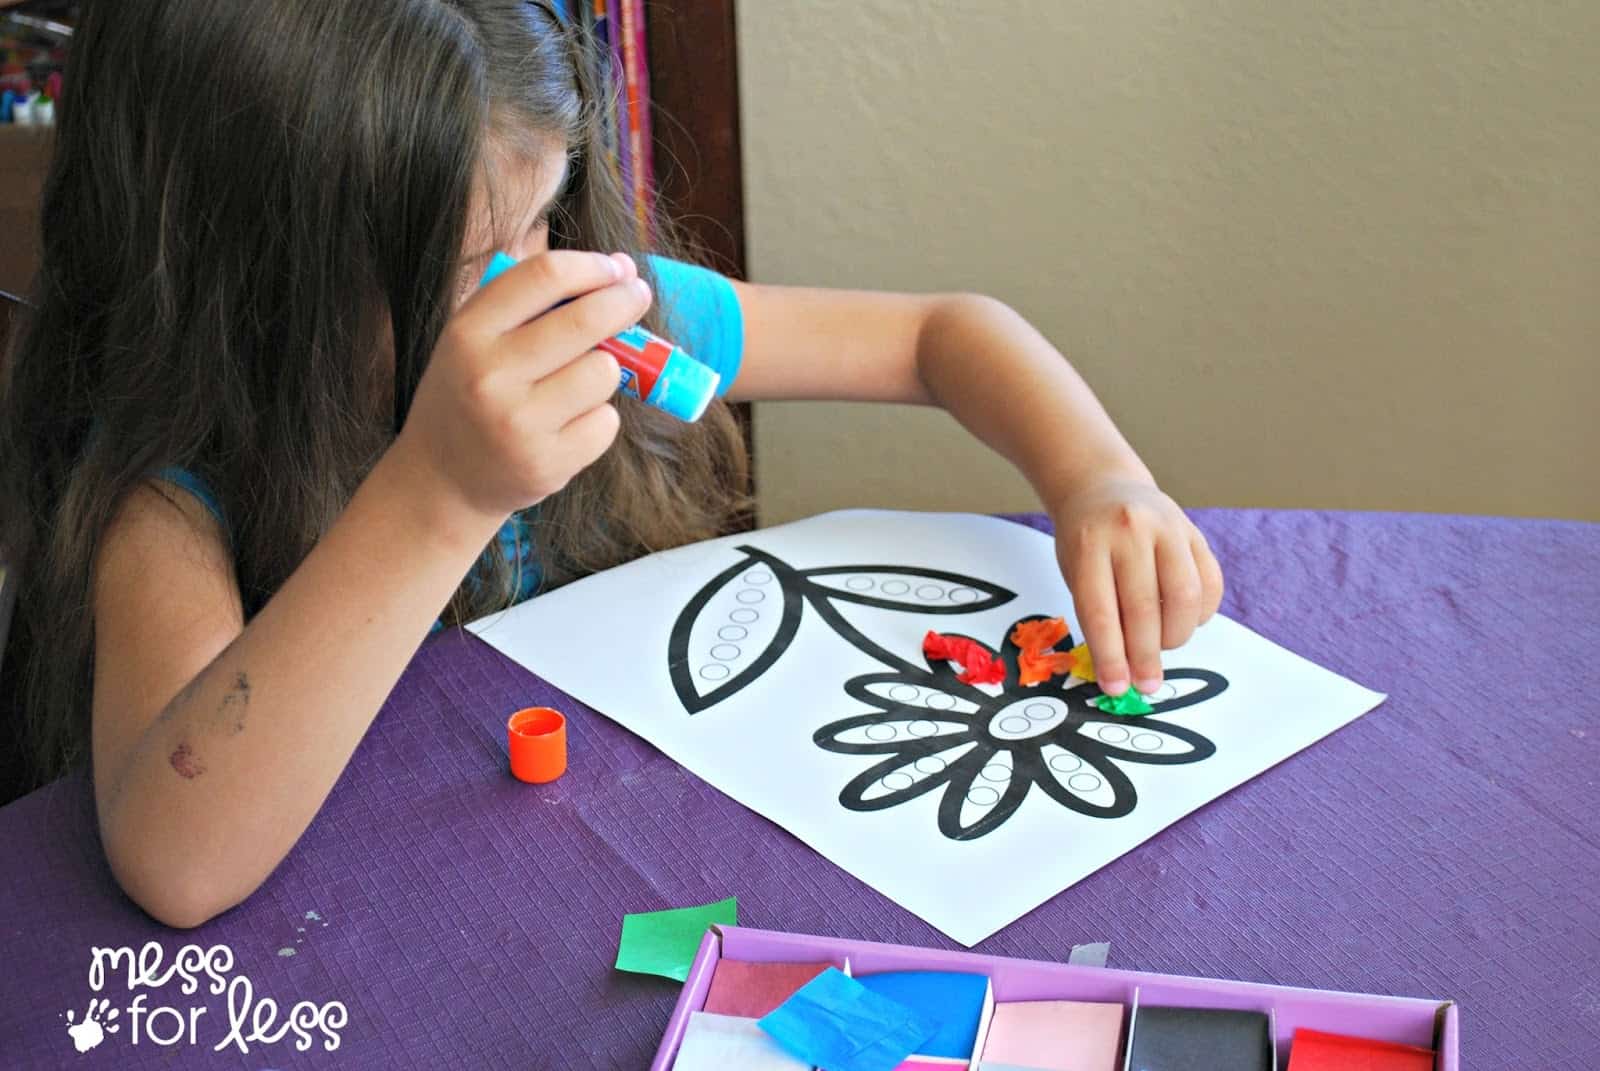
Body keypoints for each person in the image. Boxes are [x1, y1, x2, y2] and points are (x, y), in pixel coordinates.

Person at [0, 0, 1222, 927]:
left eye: (542, 222)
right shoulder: (171, 489)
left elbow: (941, 334)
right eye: (466, 258)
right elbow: (178, 862)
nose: (527, 285)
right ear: (250, 279)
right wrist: (444, 492)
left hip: (609, 865)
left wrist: (1099, 478)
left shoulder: (610, 311)